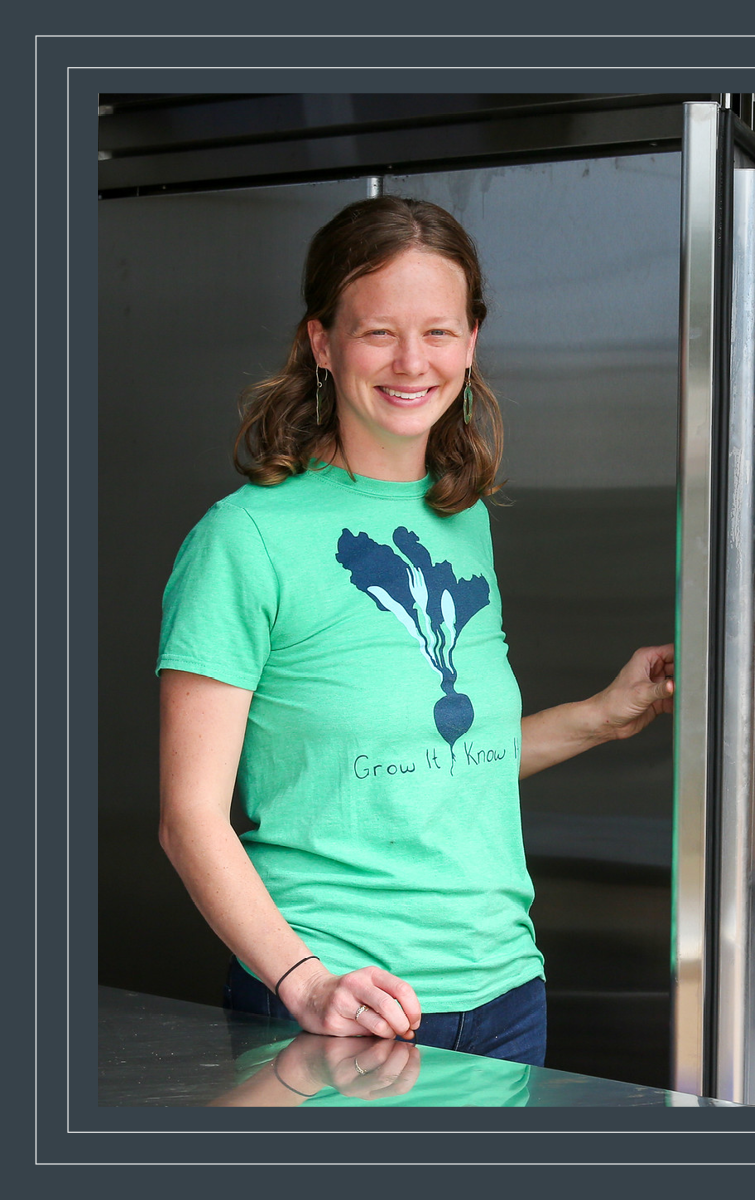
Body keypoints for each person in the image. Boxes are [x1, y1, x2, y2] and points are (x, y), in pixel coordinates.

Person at [157, 195, 674, 1069]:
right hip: (335, 1005)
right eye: (376, 333)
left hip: (506, 991)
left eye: (438, 332)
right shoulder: (243, 540)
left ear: (471, 344)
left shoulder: (459, 517)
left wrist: (602, 714)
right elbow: (187, 817)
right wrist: (305, 981)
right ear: (321, 343)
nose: (411, 362)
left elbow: (439, 762)